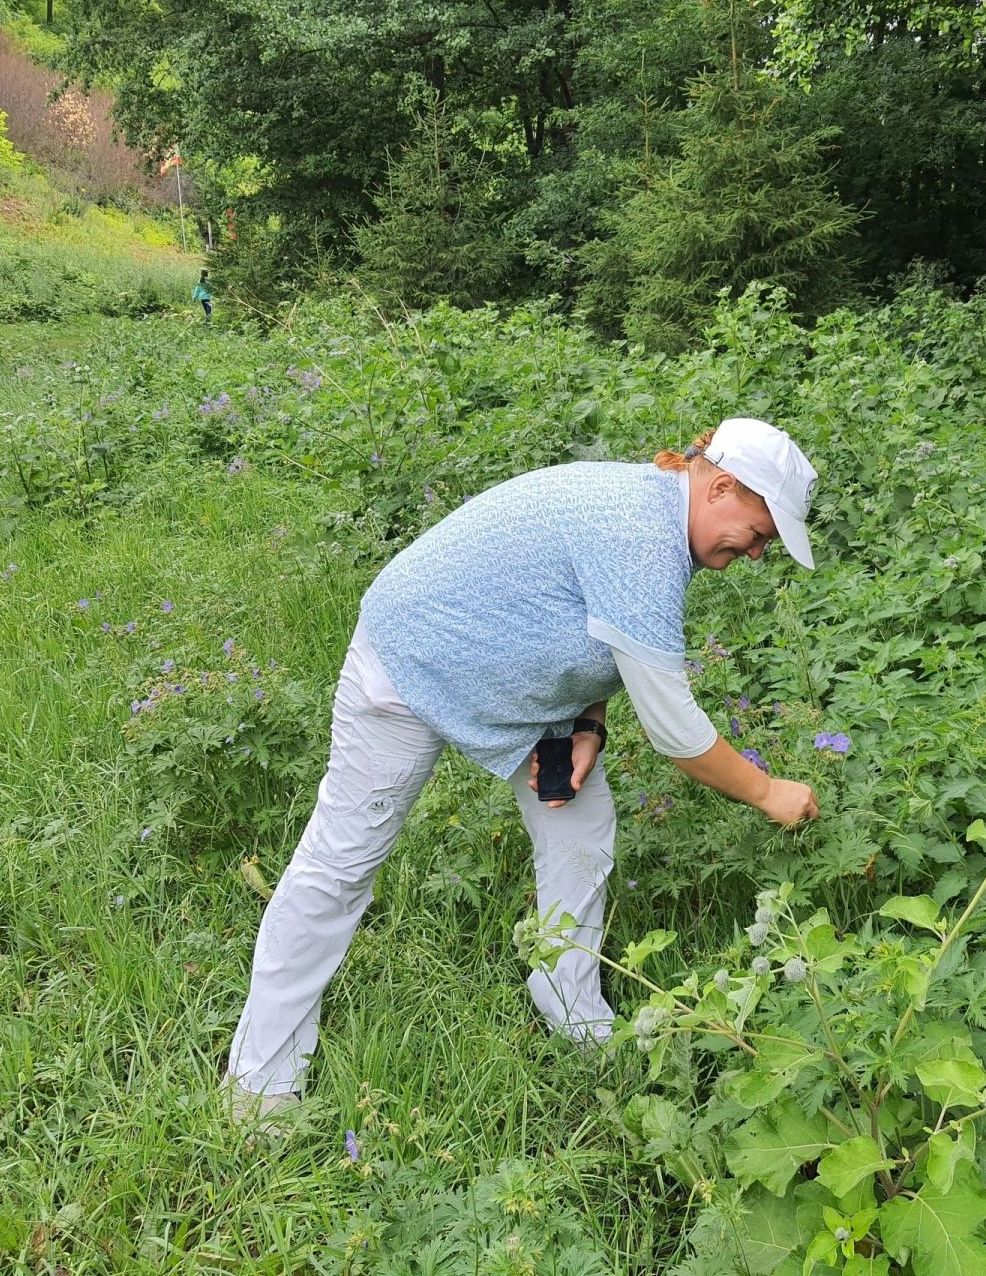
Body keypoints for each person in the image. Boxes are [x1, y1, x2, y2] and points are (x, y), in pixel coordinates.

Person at [223, 418, 822, 1127]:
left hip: (515, 693)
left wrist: (590, 724)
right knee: (343, 861)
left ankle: (569, 1003)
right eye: (758, 534)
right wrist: (768, 790)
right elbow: (675, 731)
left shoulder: (659, 518)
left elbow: (599, 631)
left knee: (583, 826)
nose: (755, 554)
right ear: (720, 486)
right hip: (413, 661)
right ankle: (260, 1084)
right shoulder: (639, 535)